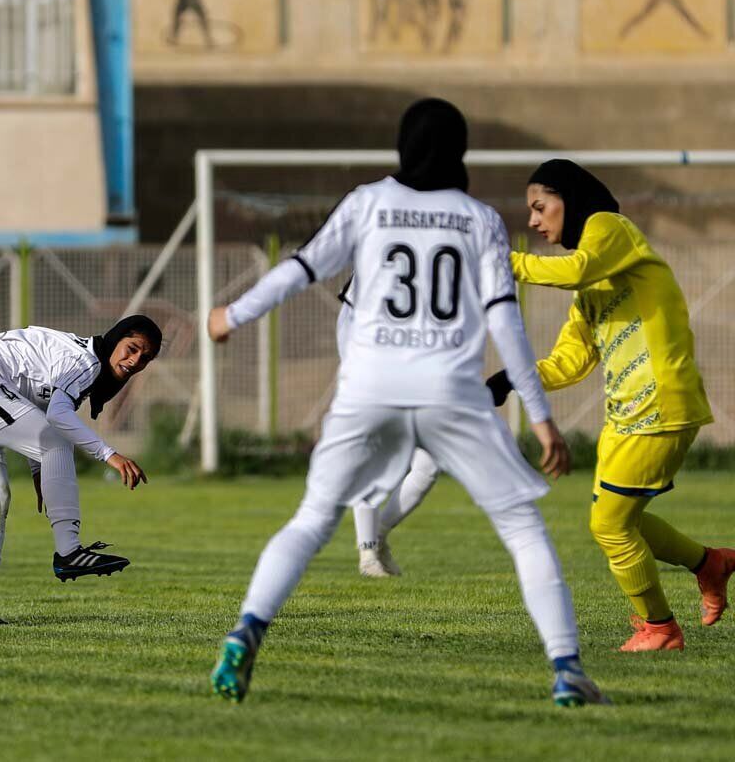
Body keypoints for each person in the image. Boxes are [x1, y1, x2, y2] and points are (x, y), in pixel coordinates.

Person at [206, 98, 606, 707]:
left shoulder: (368, 202)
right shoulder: (478, 219)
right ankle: (566, 669)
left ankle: (246, 633)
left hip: (369, 387)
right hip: (452, 392)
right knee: (523, 527)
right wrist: (542, 417)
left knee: (313, 520)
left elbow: (301, 270)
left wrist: (231, 314)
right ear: (461, 151)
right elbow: (506, 321)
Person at [488, 159, 735, 651]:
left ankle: (661, 630)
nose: (534, 221)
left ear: (570, 199)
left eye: (540, 207)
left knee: (609, 527)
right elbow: (570, 361)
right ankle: (711, 563)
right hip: (626, 415)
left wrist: (500, 261)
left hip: (660, 405)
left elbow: (576, 267)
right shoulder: (591, 281)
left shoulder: (610, 229)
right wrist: (507, 378)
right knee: (629, 522)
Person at [0, 316, 161, 623]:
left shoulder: (82, 363)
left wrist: (41, 470)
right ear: (115, 338)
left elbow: (30, 404)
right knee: (56, 440)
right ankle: (69, 552)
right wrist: (110, 455)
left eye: (145, 358)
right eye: (131, 348)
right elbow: (56, 416)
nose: (134, 361)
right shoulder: (84, 361)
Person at [337, 279, 442, 578]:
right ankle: (367, 553)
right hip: (366, 330)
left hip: (416, 341)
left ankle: (379, 535)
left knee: (429, 463)